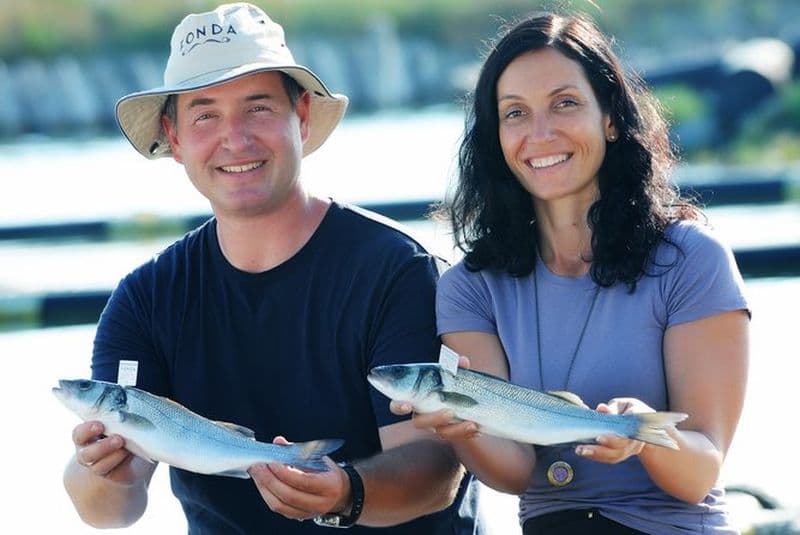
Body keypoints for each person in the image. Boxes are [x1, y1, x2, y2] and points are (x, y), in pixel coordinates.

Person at [61, 3, 482, 534]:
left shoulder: (397, 269)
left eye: (257, 108)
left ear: (301, 116)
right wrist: (97, 470)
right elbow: (111, 510)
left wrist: (346, 493)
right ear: (173, 136)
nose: (234, 139)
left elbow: (437, 470)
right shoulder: (145, 299)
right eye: (205, 114)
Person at [395, 12, 750, 535]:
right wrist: (462, 428)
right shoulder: (468, 288)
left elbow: (699, 473)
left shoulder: (692, 259)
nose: (540, 133)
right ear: (496, 136)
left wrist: (642, 435)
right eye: (515, 113)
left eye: (565, 103)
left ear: (610, 117)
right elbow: (516, 473)